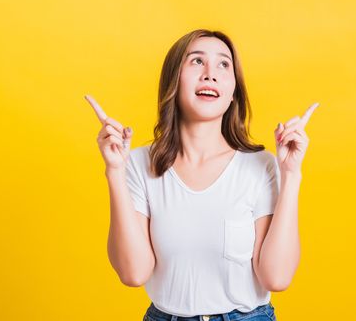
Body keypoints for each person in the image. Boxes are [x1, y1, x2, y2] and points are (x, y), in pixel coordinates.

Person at [85, 28, 319, 321]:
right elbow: (133, 273)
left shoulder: (261, 166)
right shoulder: (137, 163)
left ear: (234, 92)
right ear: (174, 79)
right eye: (196, 61)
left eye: (223, 64)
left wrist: (291, 175)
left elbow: (277, 278)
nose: (211, 73)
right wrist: (115, 171)